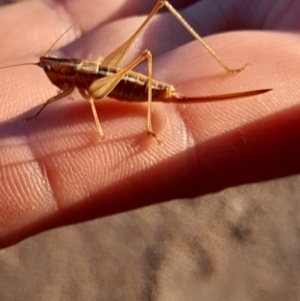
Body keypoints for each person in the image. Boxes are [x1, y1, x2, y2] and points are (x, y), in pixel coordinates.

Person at [0, 0, 299, 248]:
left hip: (124, 85)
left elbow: (90, 96)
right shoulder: (66, 74)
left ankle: (209, 78)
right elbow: (63, 94)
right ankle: (221, 71)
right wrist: (38, 113)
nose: (50, 73)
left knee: (125, 60)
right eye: (49, 69)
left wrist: (100, 130)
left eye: (50, 68)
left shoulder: (75, 77)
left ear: (61, 70)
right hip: (107, 78)